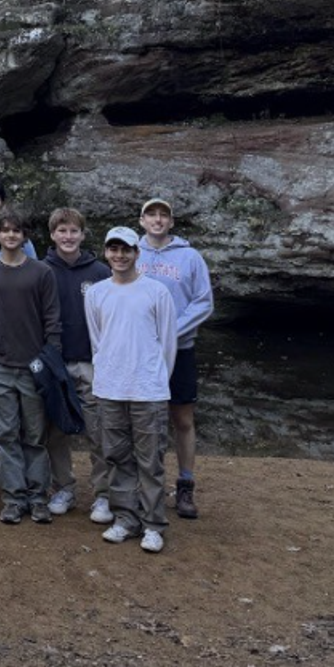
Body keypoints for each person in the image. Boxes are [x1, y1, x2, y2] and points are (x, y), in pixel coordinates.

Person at [85, 226, 179, 553]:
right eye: (113, 249)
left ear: (137, 253)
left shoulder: (156, 292)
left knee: (150, 460)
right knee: (117, 456)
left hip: (148, 390)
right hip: (110, 387)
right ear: (106, 252)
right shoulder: (96, 293)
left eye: (126, 249)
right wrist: (109, 370)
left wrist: (155, 379)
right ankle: (126, 518)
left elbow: (168, 343)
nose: (120, 255)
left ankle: (153, 523)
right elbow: (98, 340)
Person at [0, 210, 61, 524]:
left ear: (25, 235)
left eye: (16, 230)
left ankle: (38, 498)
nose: (11, 235)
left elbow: (52, 321)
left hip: (34, 366)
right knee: (5, 436)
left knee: (35, 437)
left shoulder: (41, 272)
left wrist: (49, 361)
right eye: (5, 230)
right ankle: (13, 498)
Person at [135, 197, 214, 520]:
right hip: (140, 350)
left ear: (171, 221)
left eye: (163, 215)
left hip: (179, 349)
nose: (157, 219)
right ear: (141, 220)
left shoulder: (190, 257)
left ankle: (185, 485)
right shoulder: (130, 252)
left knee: (182, 419)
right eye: (151, 214)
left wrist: (170, 331)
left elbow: (203, 302)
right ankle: (146, 484)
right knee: (143, 421)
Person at [42, 208, 113, 521]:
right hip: (55, 364)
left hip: (91, 363)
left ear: (83, 235)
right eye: (61, 231)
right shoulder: (42, 270)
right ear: (52, 235)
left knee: (98, 431)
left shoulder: (99, 272)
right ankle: (64, 487)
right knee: (56, 431)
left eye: (73, 231)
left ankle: (103, 495)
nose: (67, 237)